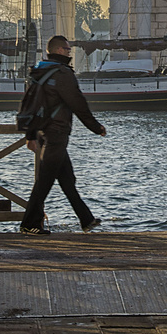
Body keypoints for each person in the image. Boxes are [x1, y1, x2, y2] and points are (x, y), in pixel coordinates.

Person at [19, 35, 106, 236]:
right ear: (59, 50)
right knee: (44, 182)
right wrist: (96, 127)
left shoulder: (38, 71)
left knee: (67, 179)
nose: (69, 52)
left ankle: (86, 219)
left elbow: (30, 105)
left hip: (43, 133)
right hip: (57, 133)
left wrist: (31, 135)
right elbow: (78, 103)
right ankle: (29, 224)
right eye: (67, 49)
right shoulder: (62, 74)